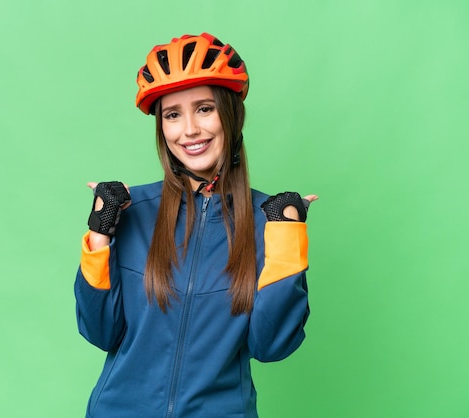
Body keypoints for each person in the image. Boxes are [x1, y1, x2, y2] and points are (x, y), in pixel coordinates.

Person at [74, 32, 318, 418]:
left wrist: (287, 239)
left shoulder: (267, 219)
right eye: (173, 114)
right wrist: (100, 234)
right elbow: (99, 331)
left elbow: (271, 346)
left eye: (204, 108)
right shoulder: (131, 210)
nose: (188, 130)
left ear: (231, 114)